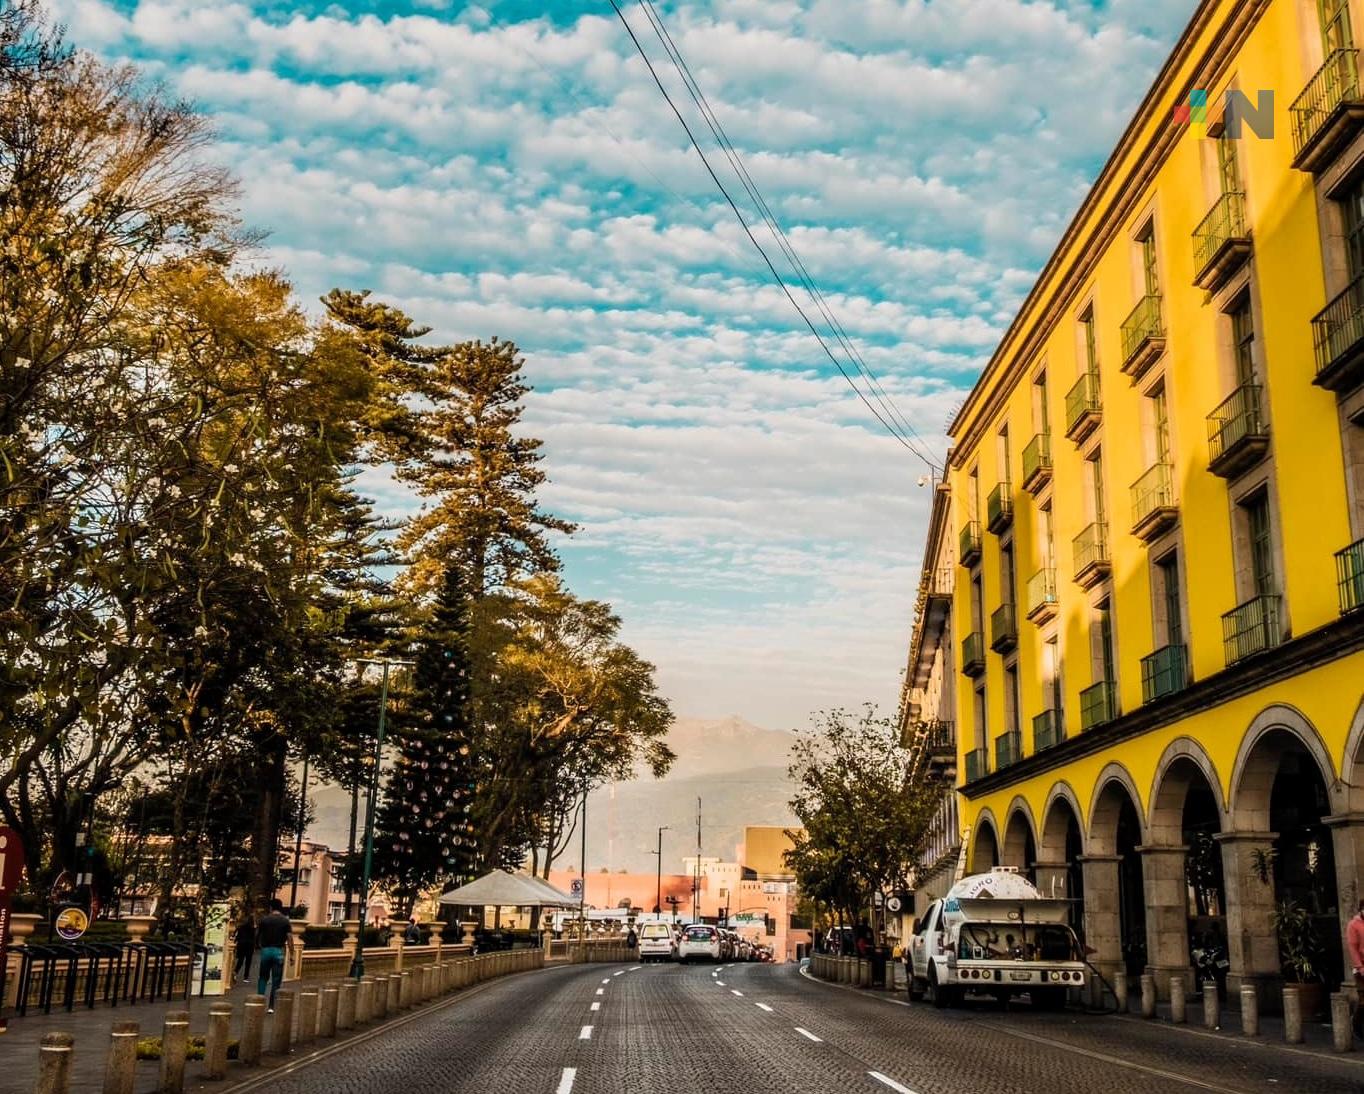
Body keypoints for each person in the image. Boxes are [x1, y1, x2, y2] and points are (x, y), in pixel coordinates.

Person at [256, 899, 293, 1013]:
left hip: (266, 951)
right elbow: (290, 938)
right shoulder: (285, 921)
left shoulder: (264, 920)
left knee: (263, 977)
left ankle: (259, 1001)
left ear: (271, 908)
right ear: (280, 907)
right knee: (276, 980)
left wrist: (259, 945)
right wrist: (292, 954)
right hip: (279, 951)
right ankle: (271, 1006)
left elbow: (257, 935)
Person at [1349, 898, 1364, 1037]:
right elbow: (1353, 948)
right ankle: (1356, 1024)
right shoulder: (1354, 925)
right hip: (1361, 970)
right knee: (1363, 1002)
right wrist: (1360, 967)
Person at [232, 913, 256, 983]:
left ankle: (235, 972)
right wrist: (254, 946)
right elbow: (253, 938)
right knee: (248, 962)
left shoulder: (241, 927)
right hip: (249, 945)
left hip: (241, 944)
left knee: (240, 960)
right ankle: (246, 977)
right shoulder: (253, 928)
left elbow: (237, 935)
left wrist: (235, 941)